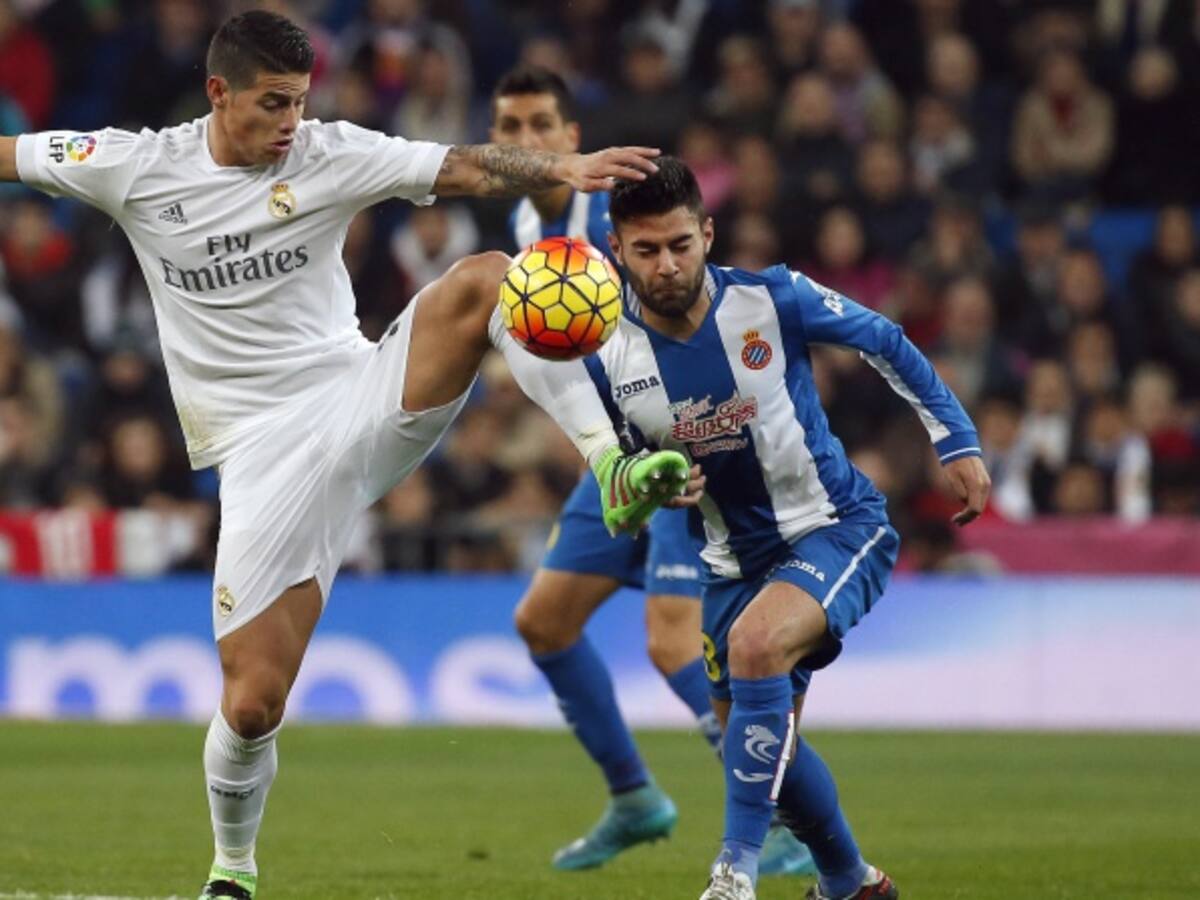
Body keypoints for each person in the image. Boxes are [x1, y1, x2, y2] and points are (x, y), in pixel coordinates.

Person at [0, 12, 692, 899]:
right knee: (253, 703)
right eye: (273, 103)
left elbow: (461, 165)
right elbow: (11, 156)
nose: (292, 121)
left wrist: (557, 168)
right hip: (256, 453)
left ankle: (609, 463)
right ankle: (233, 871)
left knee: (491, 278)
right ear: (218, 93)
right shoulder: (136, 166)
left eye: (301, 101)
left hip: (358, 398)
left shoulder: (328, 152)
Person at [587, 158, 990, 900]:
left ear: (708, 235)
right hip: (729, 562)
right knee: (762, 739)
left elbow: (884, 339)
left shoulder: (772, 297)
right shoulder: (607, 357)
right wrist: (656, 488)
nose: (667, 265)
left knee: (756, 648)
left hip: (834, 526)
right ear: (617, 249)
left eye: (680, 244)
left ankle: (733, 872)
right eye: (646, 250)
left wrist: (955, 439)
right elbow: (623, 480)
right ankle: (850, 881)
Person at [489, 65, 815, 875]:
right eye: (509, 128)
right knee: (544, 622)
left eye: (540, 125)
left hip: (679, 449)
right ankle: (635, 798)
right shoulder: (529, 219)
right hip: (612, 459)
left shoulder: (613, 214)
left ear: (572, 138)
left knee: (674, 643)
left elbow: (681, 309)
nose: (525, 141)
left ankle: (782, 817)